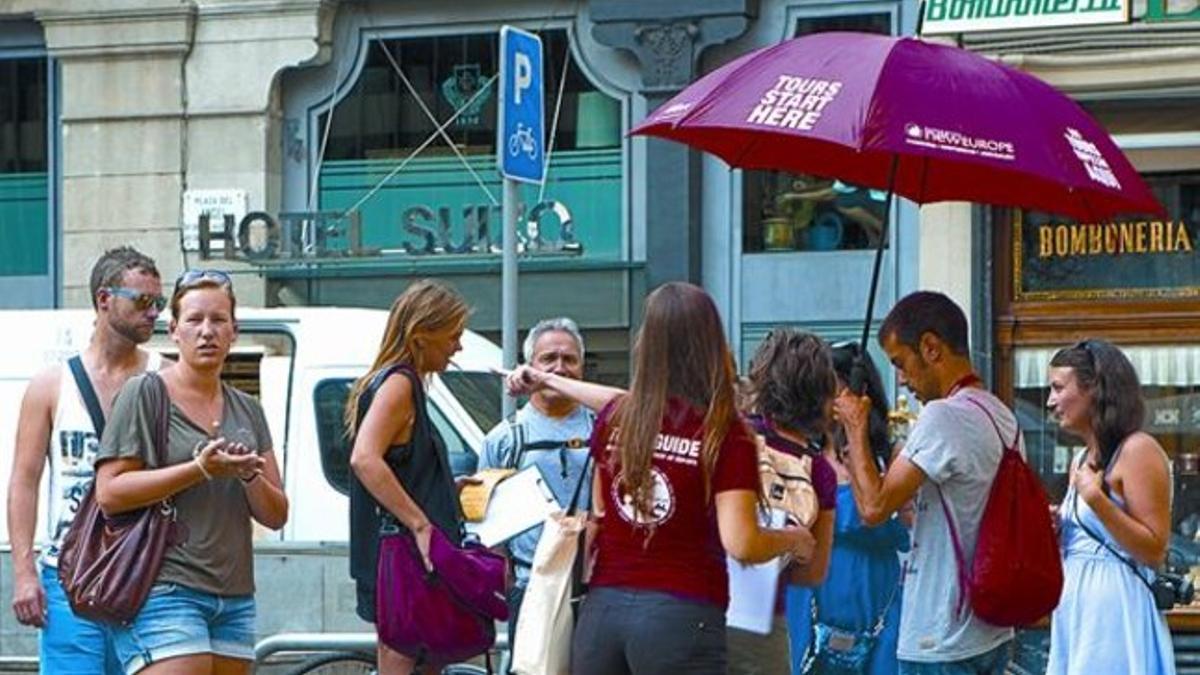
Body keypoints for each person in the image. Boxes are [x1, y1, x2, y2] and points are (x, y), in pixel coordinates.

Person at [505, 282, 816, 675]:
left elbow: (602, 507)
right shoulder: (724, 433)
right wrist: (795, 540)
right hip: (682, 617)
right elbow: (741, 542)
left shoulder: (618, 420)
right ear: (710, 342)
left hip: (603, 616)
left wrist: (546, 378)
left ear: (646, 343)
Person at [93, 269, 289, 674]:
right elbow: (110, 492)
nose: (207, 332)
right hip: (164, 586)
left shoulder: (247, 408)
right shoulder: (145, 393)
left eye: (218, 320)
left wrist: (247, 474)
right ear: (173, 329)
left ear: (234, 331)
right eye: (195, 320)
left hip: (234, 596)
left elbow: (276, 514)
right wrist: (199, 468)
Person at [834, 291, 1014, 674]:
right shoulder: (1001, 416)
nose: (900, 381)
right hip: (990, 630)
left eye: (901, 363)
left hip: (940, 635)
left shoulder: (942, 417)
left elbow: (873, 508)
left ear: (931, 347)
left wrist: (854, 426)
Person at [7, 246, 165, 675]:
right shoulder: (52, 385)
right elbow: (24, 480)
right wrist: (23, 573)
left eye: (159, 303)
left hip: (147, 573)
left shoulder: (165, 378)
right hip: (68, 573)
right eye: (143, 302)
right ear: (103, 299)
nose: (154, 313)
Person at [345, 279, 471, 675]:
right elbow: (365, 458)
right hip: (402, 560)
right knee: (404, 660)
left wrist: (444, 490)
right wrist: (420, 523)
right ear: (421, 336)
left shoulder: (395, 382)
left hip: (397, 557)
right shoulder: (399, 384)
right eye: (452, 336)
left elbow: (395, 463)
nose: (458, 348)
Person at [1044, 339, 1175, 675]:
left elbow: (1154, 548)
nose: (1050, 401)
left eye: (1059, 388)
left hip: (1115, 616)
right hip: (1078, 612)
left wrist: (1096, 501)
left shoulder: (1138, 450)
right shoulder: (1080, 461)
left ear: (1094, 389)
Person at [477, 317, 594, 665]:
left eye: (570, 359)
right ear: (530, 367)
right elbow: (487, 524)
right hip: (531, 587)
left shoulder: (605, 428)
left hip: (595, 587)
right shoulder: (502, 439)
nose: (560, 368)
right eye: (549, 359)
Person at [788, 341, 909, 675]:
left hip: (877, 600)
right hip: (814, 597)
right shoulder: (802, 453)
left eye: (831, 389)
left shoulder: (891, 453)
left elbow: (902, 523)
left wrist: (856, 443)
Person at [728, 328, 838, 675]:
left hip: (696, 609)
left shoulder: (727, 437)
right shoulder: (819, 472)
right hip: (760, 623)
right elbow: (813, 573)